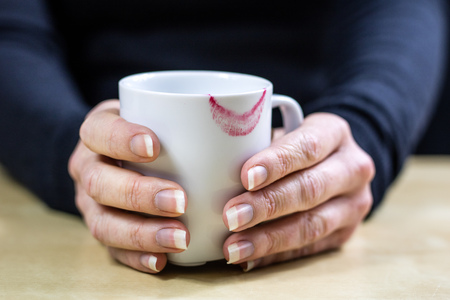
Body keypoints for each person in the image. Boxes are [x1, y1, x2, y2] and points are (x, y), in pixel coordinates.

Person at [0, 0, 448, 274]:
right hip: (86, 137)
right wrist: (70, 151)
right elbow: (11, 32)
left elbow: (399, 5)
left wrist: (361, 130)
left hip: (314, 131)